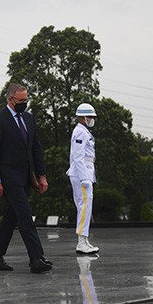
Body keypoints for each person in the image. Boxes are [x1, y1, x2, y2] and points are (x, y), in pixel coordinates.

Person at [0, 84, 53, 273]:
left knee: (12, 217)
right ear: (10, 100)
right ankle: (36, 258)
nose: (24, 104)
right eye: (21, 101)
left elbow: (36, 148)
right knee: (25, 215)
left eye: (26, 100)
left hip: (26, 176)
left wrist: (41, 175)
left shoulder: (29, 119)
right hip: (8, 177)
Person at [67, 103, 100, 254]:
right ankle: (81, 242)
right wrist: (83, 178)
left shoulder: (83, 131)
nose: (92, 119)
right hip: (82, 174)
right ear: (82, 117)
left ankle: (84, 239)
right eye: (90, 117)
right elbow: (78, 157)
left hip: (85, 172)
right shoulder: (80, 132)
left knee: (86, 207)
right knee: (84, 207)